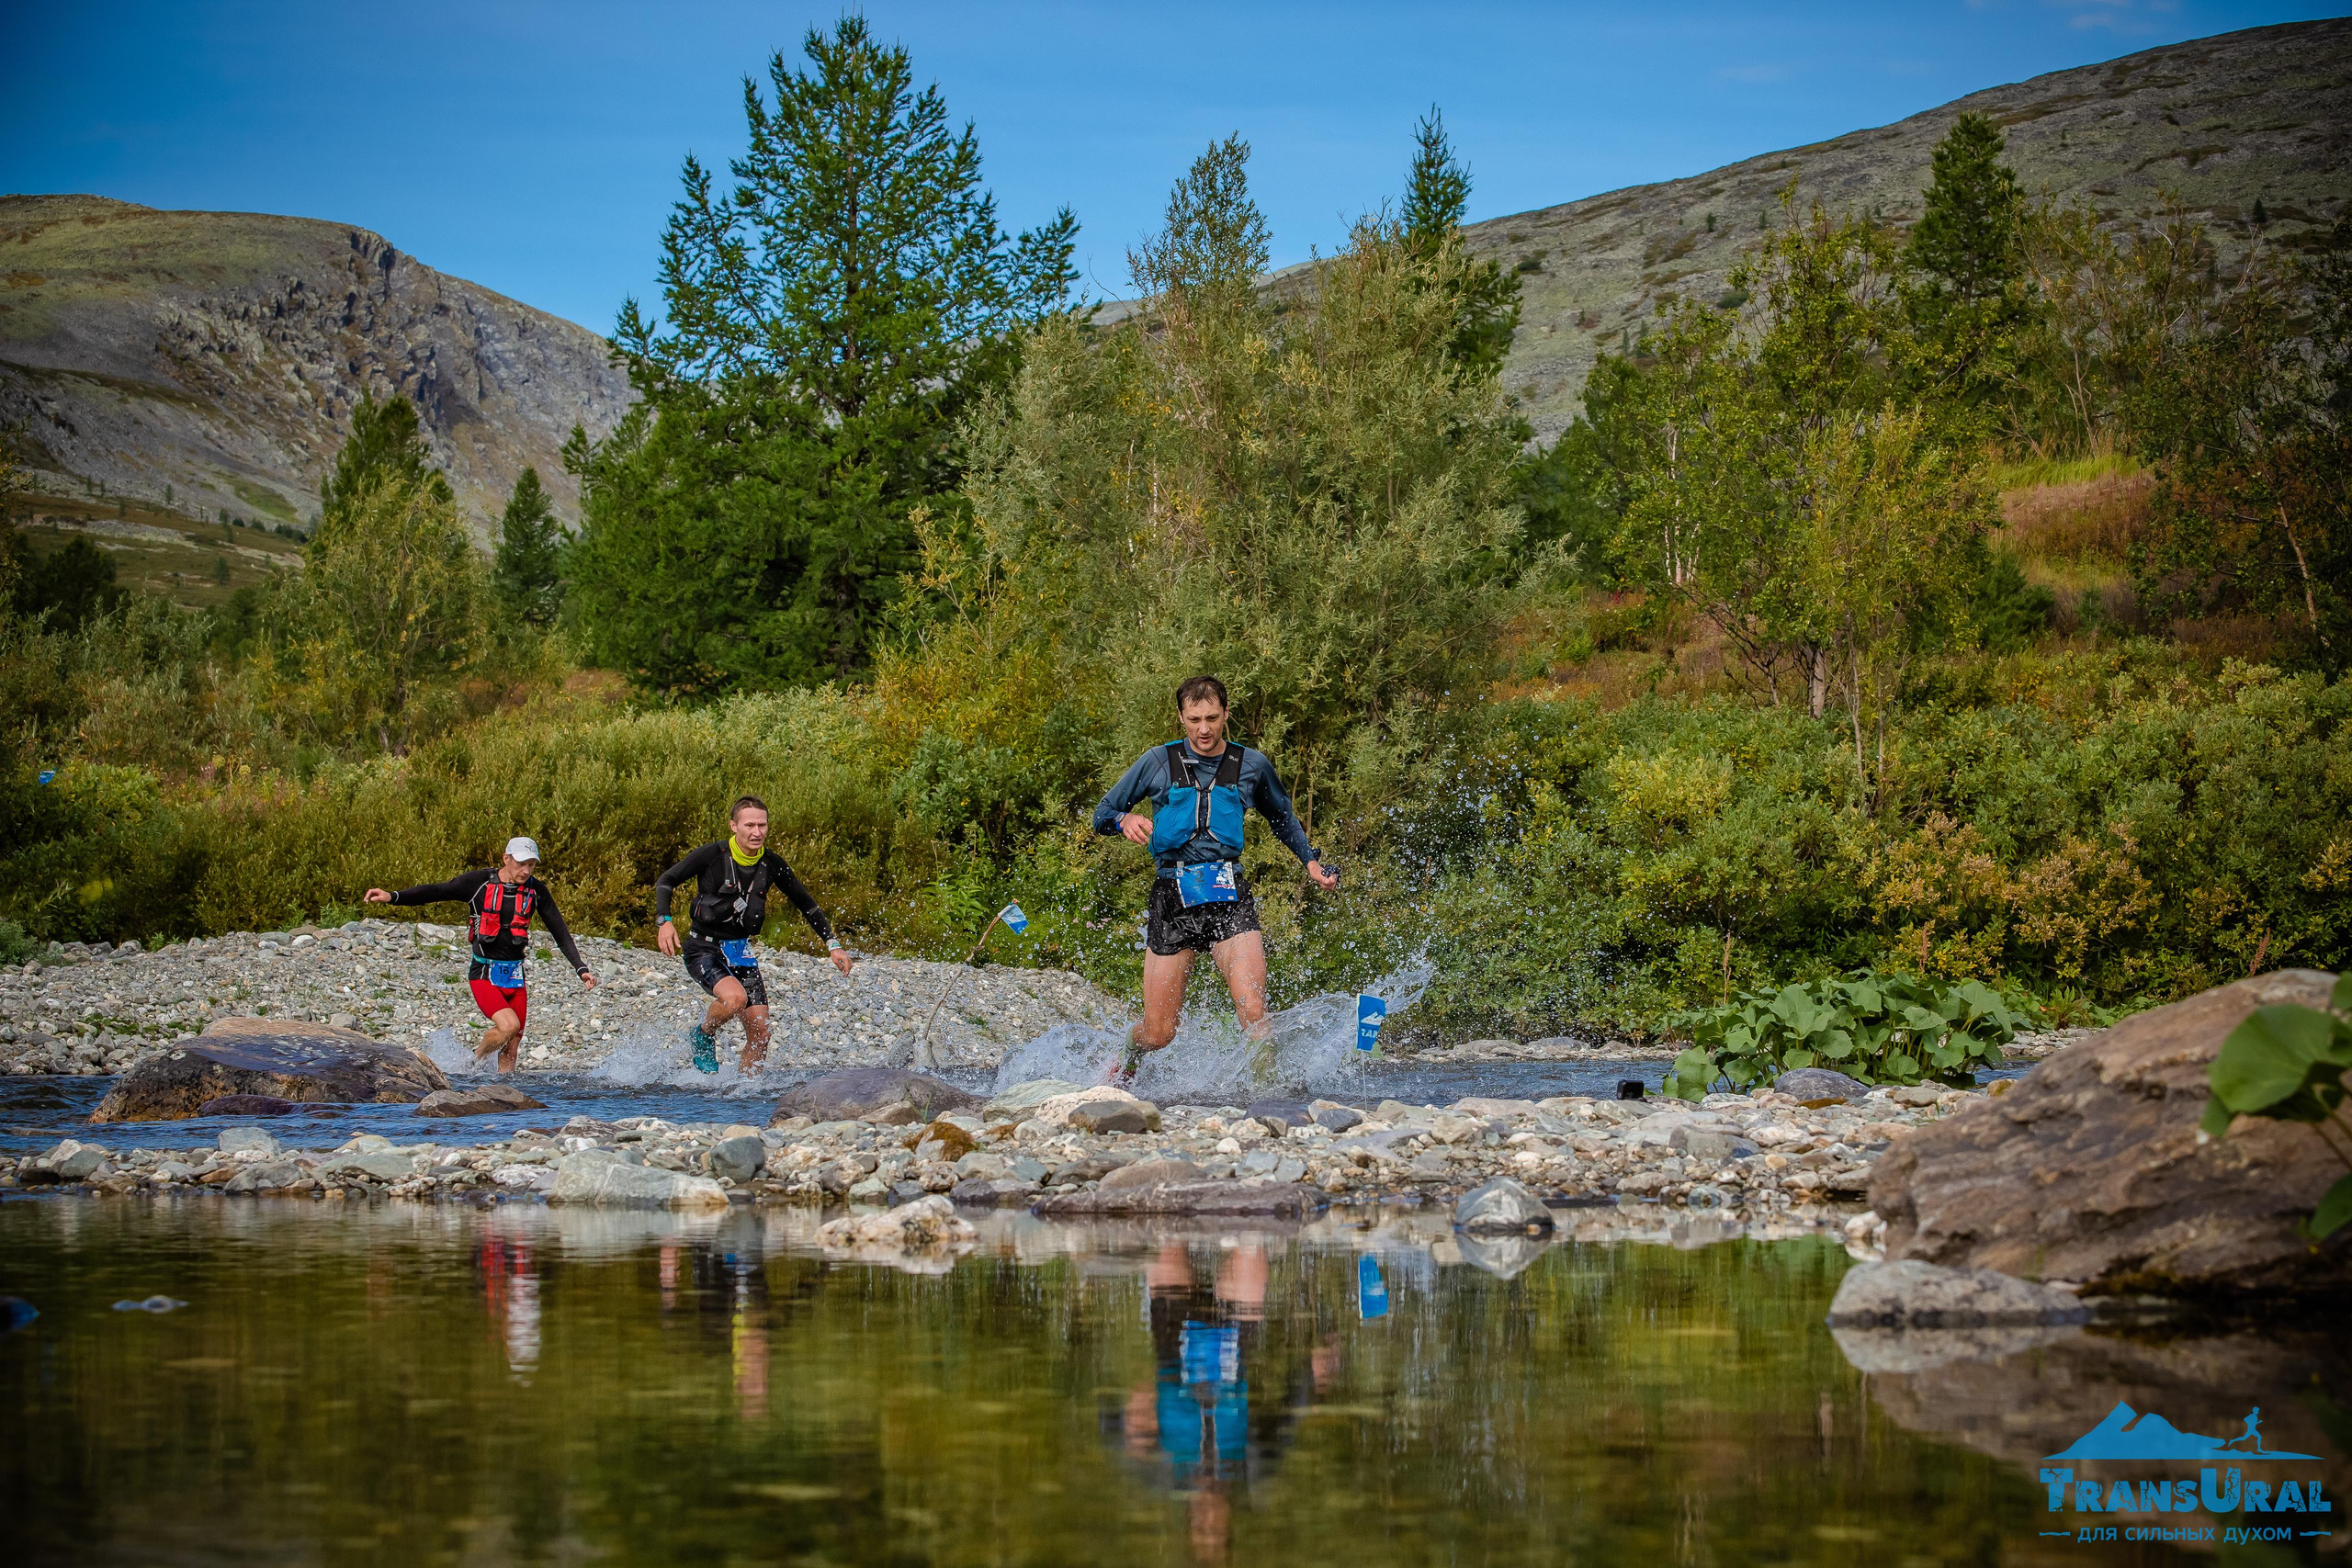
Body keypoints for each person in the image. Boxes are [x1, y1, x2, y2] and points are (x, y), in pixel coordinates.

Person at [1093, 675, 1337, 1081]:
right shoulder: (1157, 762)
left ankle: (1267, 1100)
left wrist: (1311, 862)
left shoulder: (1251, 766)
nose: (1203, 729)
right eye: (1194, 720)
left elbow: (1283, 819)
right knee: (1159, 1034)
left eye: (1211, 718)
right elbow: (1102, 814)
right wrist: (1124, 820)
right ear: (1181, 717)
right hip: (1172, 899)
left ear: (1225, 714)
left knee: (1254, 1012)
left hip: (1228, 896)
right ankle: (1125, 1062)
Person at [653, 795, 853, 1074]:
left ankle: (744, 1091)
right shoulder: (712, 855)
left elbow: (806, 904)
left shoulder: (772, 864)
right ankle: (703, 1033)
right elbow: (667, 880)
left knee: (761, 1033)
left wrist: (833, 944)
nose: (757, 832)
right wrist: (664, 920)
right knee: (735, 1000)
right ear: (734, 826)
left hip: (740, 951)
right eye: (749, 825)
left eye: (762, 825)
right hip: (703, 948)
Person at [365, 836, 595, 1072]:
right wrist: (393, 896)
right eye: (521, 864)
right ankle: (474, 1061)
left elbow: (561, 933)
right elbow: (436, 891)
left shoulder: (537, 891)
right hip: (484, 973)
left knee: (511, 1047)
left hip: (515, 976)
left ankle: (504, 1090)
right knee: (509, 1026)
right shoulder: (478, 883)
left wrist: (581, 968)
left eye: (532, 865)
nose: (526, 871)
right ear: (506, 859)